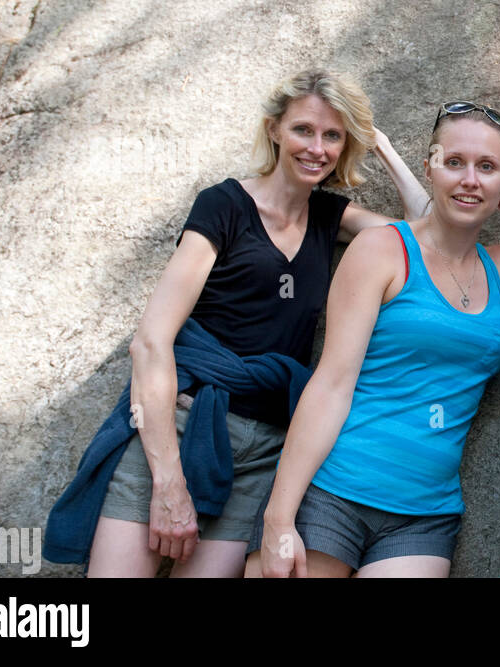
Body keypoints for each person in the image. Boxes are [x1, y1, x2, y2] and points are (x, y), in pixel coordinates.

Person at [43, 69, 430, 577]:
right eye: (303, 130)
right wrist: (169, 485)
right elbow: (152, 343)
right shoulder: (223, 205)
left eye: (333, 135)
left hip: (263, 451)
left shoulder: (332, 219)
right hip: (178, 428)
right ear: (274, 130)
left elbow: (429, 232)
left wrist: (378, 144)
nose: (317, 147)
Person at [246, 101, 500, 578]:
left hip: (423, 518)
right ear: (429, 168)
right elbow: (331, 384)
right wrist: (279, 518)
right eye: (454, 163)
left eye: (487, 167)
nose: (469, 179)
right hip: (330, 492)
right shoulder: (383, 248)